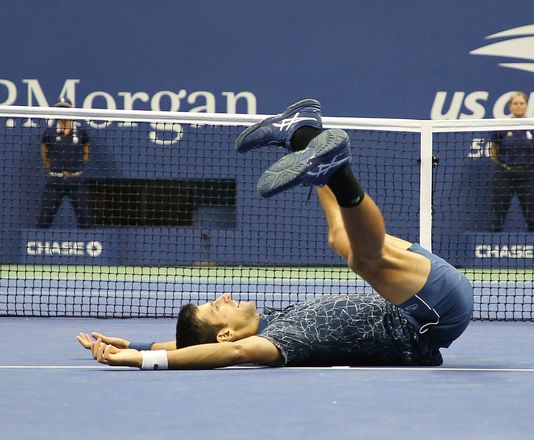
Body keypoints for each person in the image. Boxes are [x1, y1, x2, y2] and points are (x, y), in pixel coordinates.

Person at [77, 99, 474, 369]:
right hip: (434, 315)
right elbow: (223, 354)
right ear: (228, 333)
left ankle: (303, 134)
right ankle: (333, 168)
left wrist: (135, 344)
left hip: (412, 295)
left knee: (340, 239)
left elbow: (195, 345)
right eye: (217, 308)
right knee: (362, 258)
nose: (223, 296)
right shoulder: (274, 342)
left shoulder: (269, 320)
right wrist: (142, 361)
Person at [489, 92, 534, 232]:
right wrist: (504, 166)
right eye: (515, 103)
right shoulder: (501, 126)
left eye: (521, 103)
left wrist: (527, 166)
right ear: (510, 106)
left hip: (527, 175)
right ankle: (492, 242)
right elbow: (493, 150)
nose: (518, 106)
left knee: (532, 212)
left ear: (526, 106)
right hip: (504, 175)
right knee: (497, 212)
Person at [37, 98, 92, 228]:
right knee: (45, 217)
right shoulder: (49, 132)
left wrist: (77, 168)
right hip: (55, 182)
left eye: (65, 108)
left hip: (76, 181)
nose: (62, 111)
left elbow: (86, 152)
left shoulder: (80, 131)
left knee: (86, 219)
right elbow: (44, 153)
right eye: (60, 108)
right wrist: (53, 169)